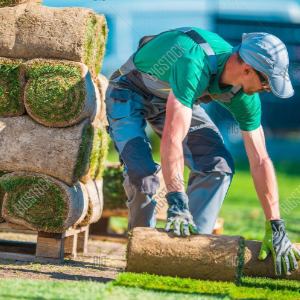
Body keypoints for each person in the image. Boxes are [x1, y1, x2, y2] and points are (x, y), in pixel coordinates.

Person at [104, 27, 300, 276]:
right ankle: (144, 255)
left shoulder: (245, 95)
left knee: (218, 166)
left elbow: (260, 159)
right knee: (143, 176)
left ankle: (185, 254)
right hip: (128, 92)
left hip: (175, 100)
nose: (268, 88)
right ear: (248, 69)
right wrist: (175, 200)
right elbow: (172, 139)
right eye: (267, 81)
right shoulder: (194, 62)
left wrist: (276, 225)